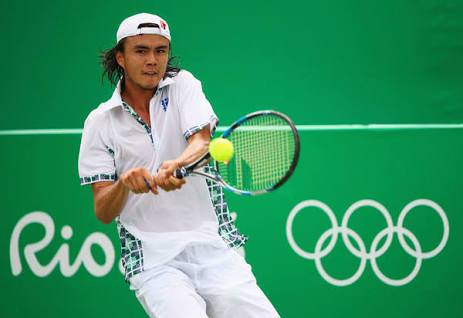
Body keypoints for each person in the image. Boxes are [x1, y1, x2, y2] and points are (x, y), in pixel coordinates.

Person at [78, 12, 280, 318]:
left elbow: (201, 142)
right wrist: (124, 184)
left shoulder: (184, 85)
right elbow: (104, 211)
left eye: (160, 51)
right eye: (141, 50)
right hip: (153, 261)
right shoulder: (100, 122)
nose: (152, 60)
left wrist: (176, 165)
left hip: (213, 247)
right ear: (120, 57)